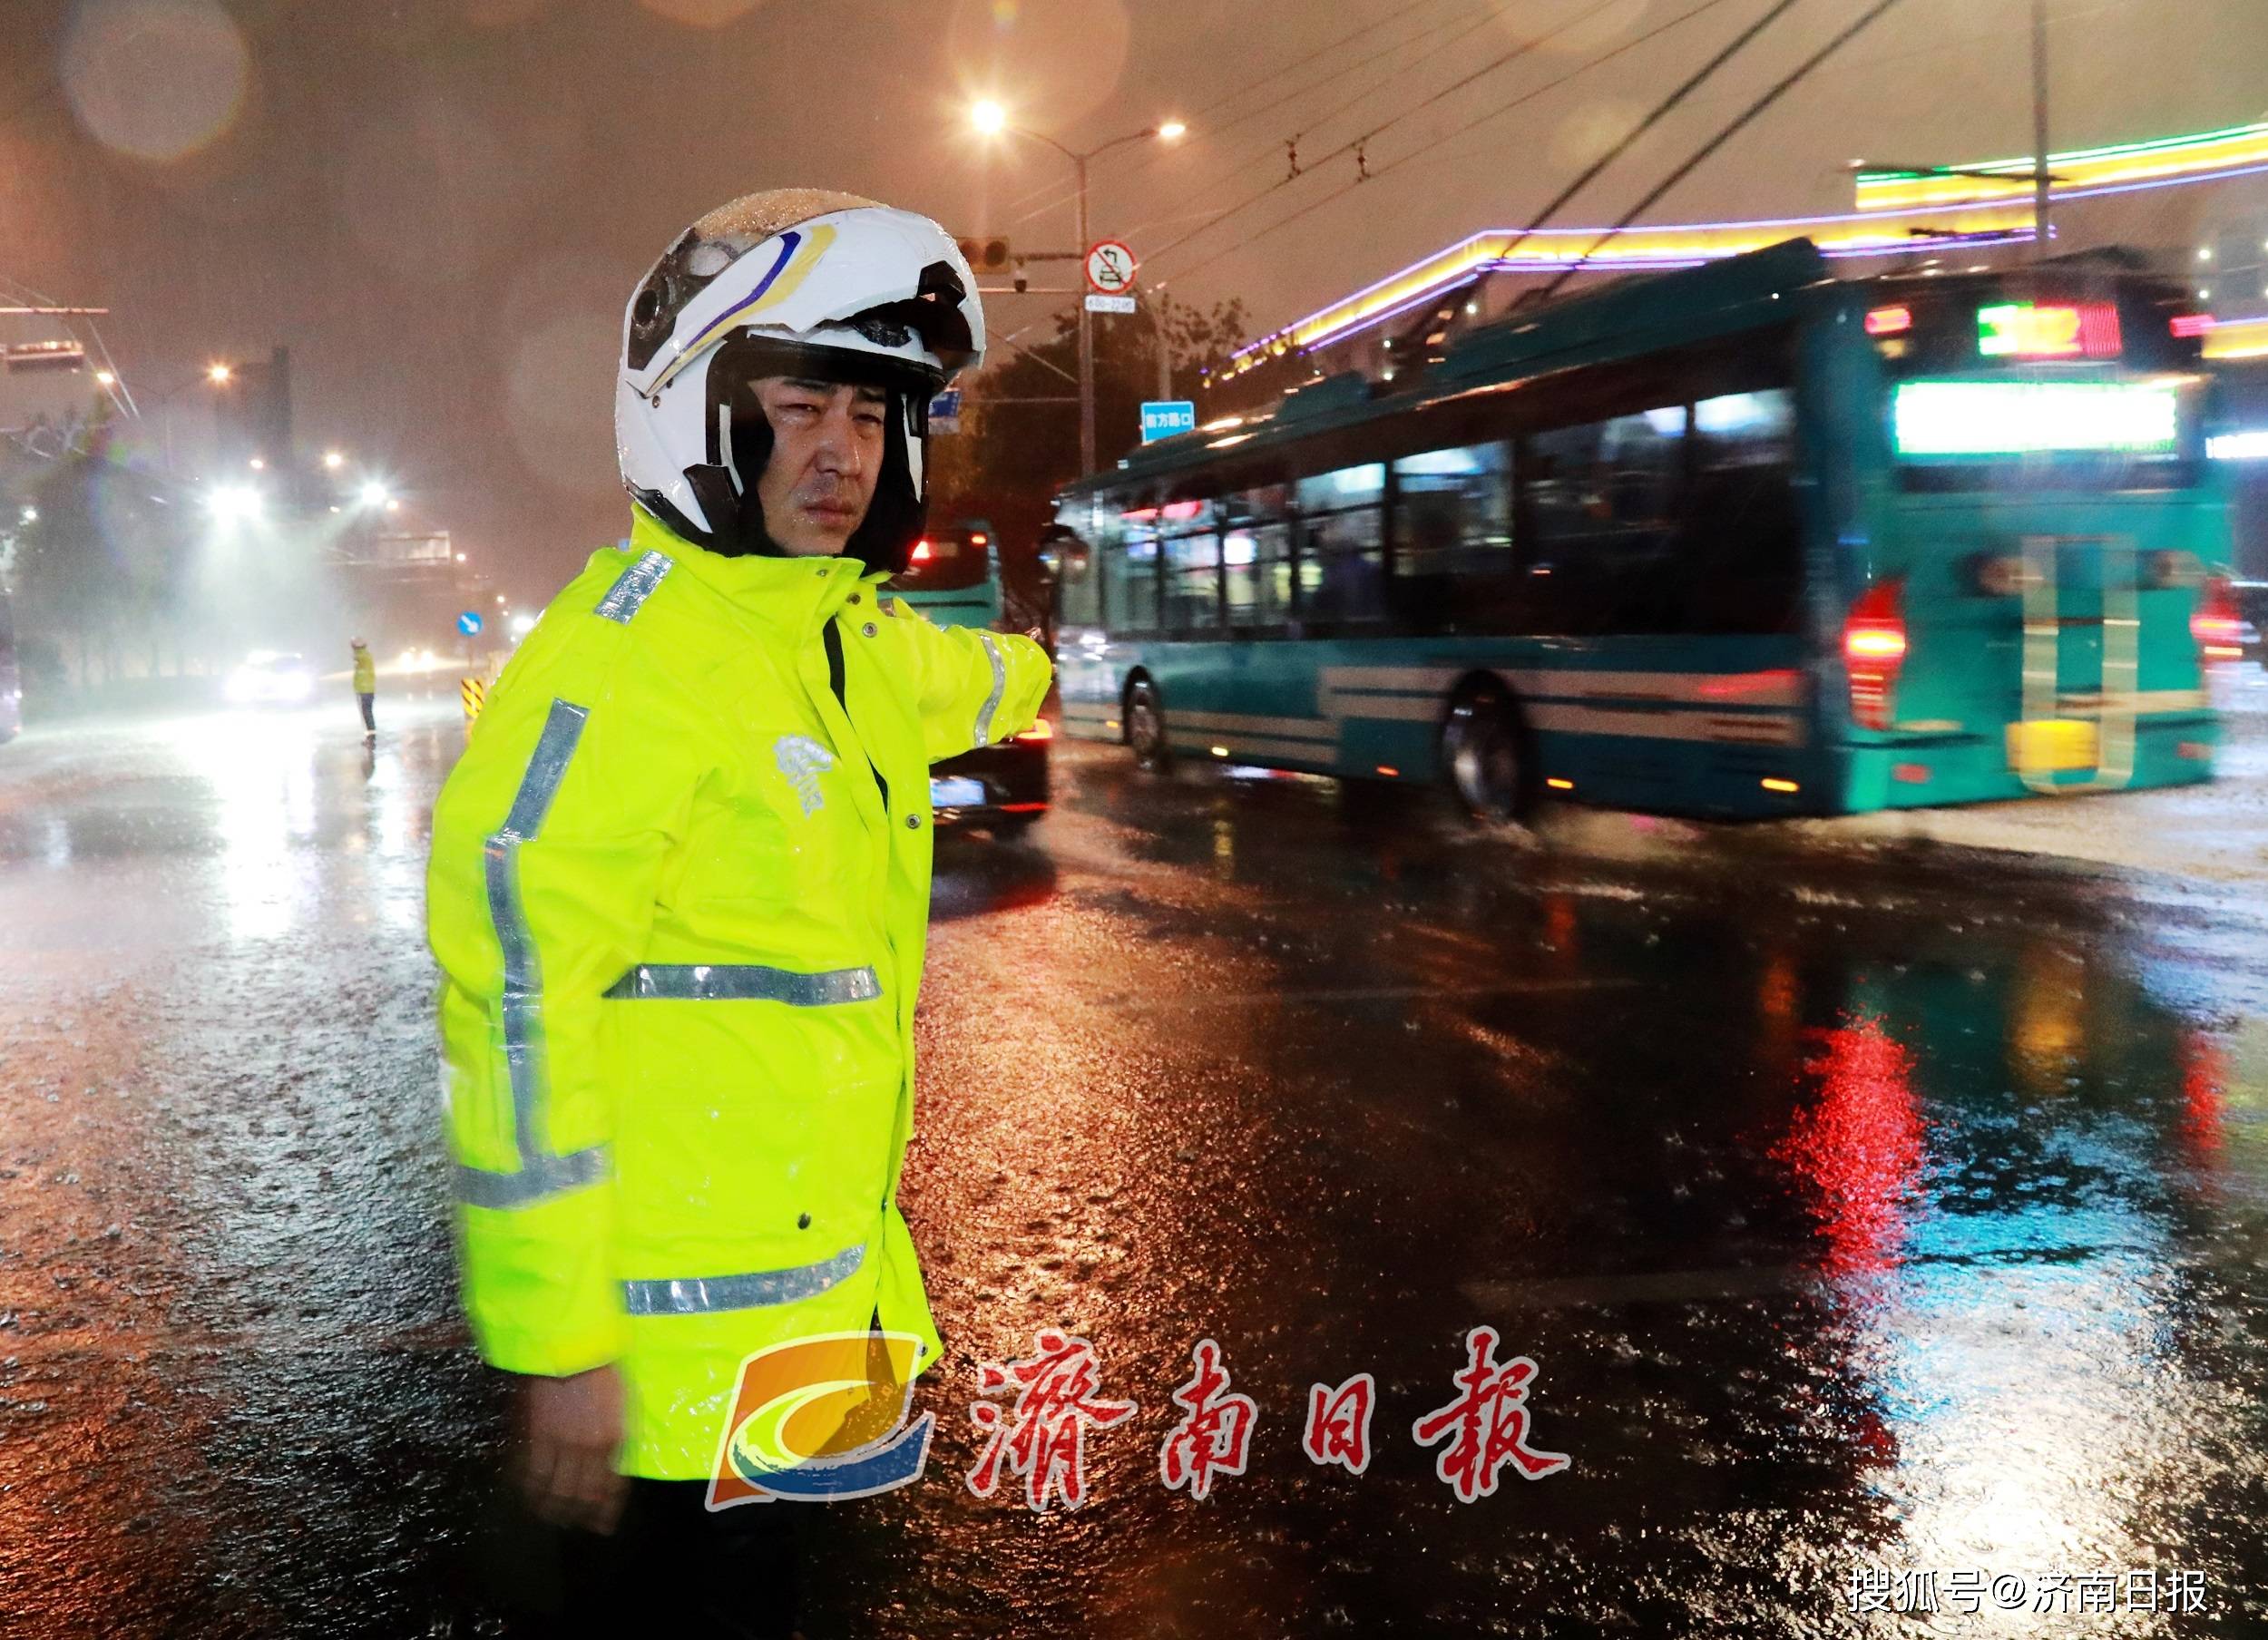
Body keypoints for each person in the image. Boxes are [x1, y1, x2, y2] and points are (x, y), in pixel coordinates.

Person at [425, 190, 1051, 1637]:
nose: (845, 451)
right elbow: (519, 1011)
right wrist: (560, 1343)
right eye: (802, 405)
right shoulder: (622, 670)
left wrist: (1057, 654)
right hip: (662, 1391)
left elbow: (972, 681)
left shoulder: (834, 642)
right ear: (703, 413)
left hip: (816, 1338)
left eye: (875, 416)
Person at [350, 637, 376, 734]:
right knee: (367, 712)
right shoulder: (366, 656)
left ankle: (371, 734)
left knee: (367, 712)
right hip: (368, 689)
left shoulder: (361, 657)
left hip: (364, 690)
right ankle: (370, 733)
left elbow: (358, 656)